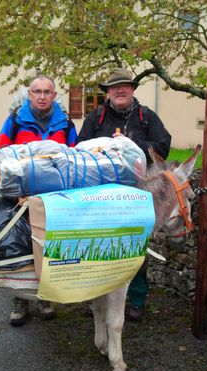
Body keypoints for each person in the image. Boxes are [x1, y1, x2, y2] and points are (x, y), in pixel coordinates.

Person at [77, 68, 172, 321]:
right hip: (101, 195)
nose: (120, 90)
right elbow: (79, 149)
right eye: (114, 87)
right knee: (98, 247)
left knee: (137, 249)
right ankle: (96, 298)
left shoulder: (146, 117)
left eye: (125, 86)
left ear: (132, 90)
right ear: (107, 91)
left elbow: (163, 145)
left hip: (137, 195)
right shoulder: (95, 118)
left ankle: (137, 300)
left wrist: (130, 145)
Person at [0, 75, 77, 326]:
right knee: (20, 245)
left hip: (53, 199)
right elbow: (0, 156)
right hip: (20, 198)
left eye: (47, 92)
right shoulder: (15, 121)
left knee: (48, 246)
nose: (42, 96)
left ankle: (44, 296)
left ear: (54, 95)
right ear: (29, 94)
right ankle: (21, 300)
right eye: (37, 91)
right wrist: (10, 192)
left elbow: (75, 158)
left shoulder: (65, 124)